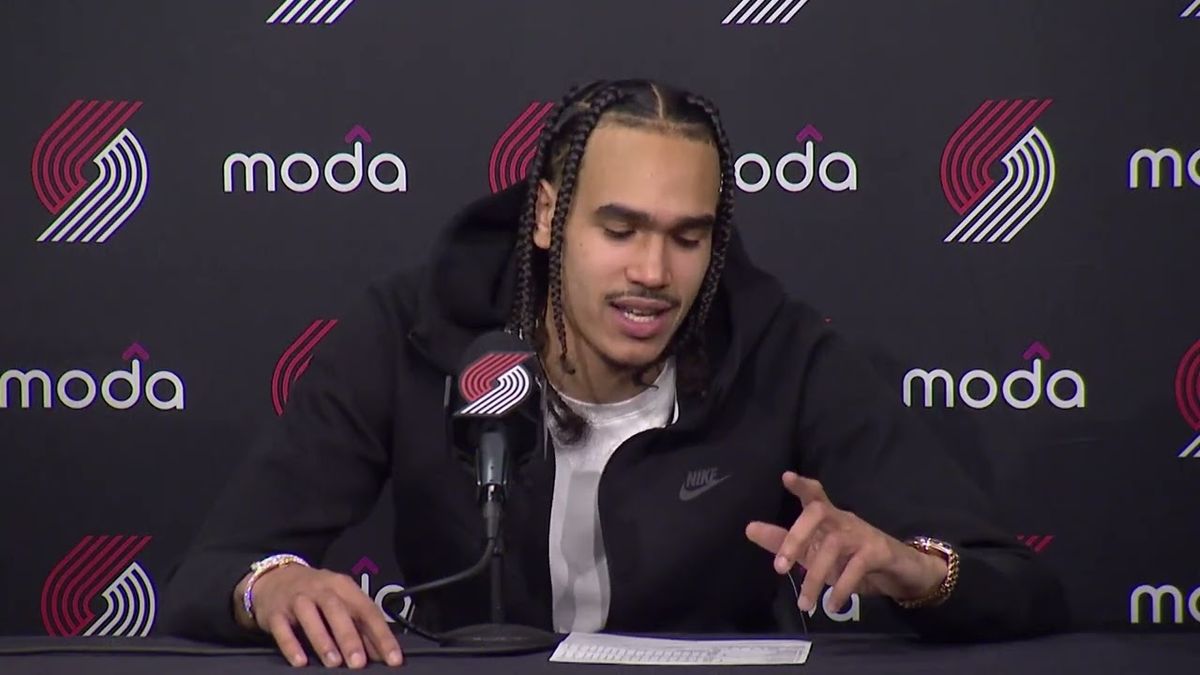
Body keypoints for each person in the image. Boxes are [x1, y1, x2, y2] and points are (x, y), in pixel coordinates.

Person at [161, 79, 1070, 668]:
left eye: (688, 237)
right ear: (548, 216)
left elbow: (1018, 585)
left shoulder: (782, 351)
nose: (652, 273)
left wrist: (917, 571)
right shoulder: (410, 331)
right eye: (620, 228)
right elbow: (217, 568)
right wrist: (272, 584)